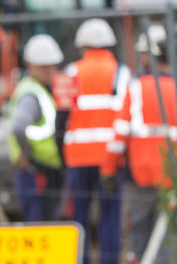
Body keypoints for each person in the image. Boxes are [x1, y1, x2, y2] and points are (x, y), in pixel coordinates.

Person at [101, 25, 175, 264]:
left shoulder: (137, 88)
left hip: (140, 173)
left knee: (138, 232)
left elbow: (119, 135)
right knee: (164, 234)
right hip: (170, 174)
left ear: (148, 55)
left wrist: (108, 170)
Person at [62, 18, 131, 264]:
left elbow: (61, 117)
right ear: (110, 45)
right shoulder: (122, 74)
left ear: (83, 46)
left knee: (79, 216)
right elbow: (127, 116)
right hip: (110, 159)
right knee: (110, 215)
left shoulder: (71, 72)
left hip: (77, 159)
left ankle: (81, 260)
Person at [7, 34, 64, 221]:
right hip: (37, 169)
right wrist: (25, 155)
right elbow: (18, 127)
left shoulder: (40, 89)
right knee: (41, 224)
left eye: (52, 65)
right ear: (31, 66)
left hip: (43, 168)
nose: (50, 71)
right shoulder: (30, 94)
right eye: (44, 66)